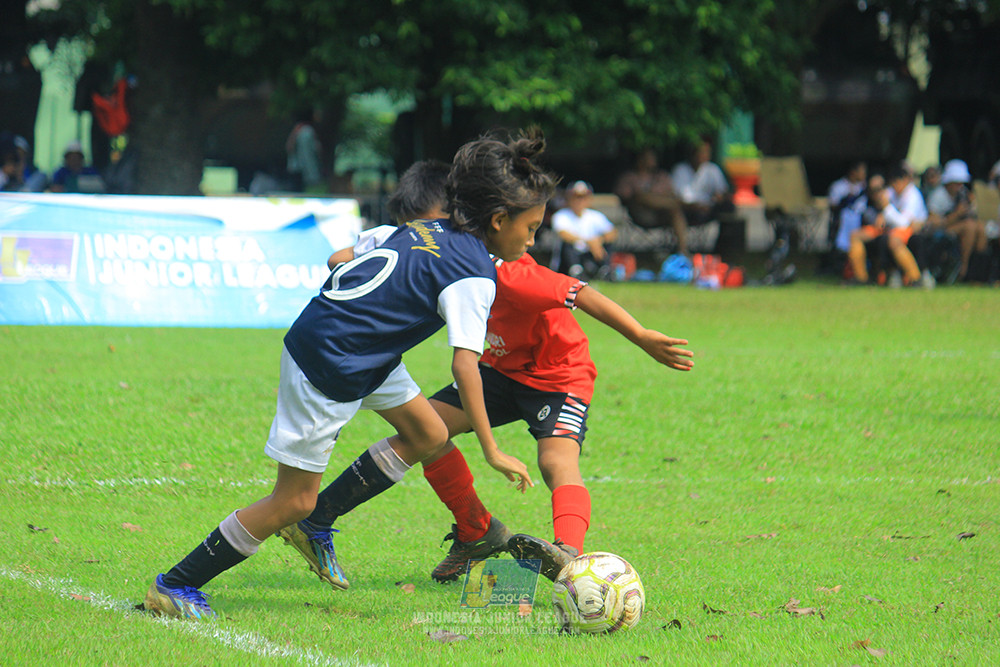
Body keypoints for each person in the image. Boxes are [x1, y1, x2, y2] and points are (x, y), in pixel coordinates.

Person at [142, 129, 557, 619]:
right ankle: (175, 584)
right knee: (292, 499)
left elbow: (354, 253)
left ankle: (316, 524)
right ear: (499, 218)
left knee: (428, 431)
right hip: (333, 362)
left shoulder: (433, 228)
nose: (531, 241)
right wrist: (492, 449)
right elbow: (465, 362)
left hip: (360, 349)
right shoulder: (473, 276)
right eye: (529, 229)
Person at [319, 160, 694, 585]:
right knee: (423, 434)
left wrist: (641, 335)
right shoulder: (435, 253)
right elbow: (344, 257)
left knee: (555, 461)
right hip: (498, 369)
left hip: (557, 377)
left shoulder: (511, 273)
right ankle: (471, 530)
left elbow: (584, 295)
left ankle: (568, 555)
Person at [845, 168, 926, 287]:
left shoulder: (913, 195)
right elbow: (882, 209)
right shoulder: (891, 191)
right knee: (856, 235)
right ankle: (861, 278)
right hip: (889, 228)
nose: (894, 186)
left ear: (904, 181)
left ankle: (915, 278)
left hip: (908, 229)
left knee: (893, 241)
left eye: (896, 183)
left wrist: (886, 208)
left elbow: (904, 223)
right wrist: (882, 213)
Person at [614, 148, 691, 254]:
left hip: (662, 214)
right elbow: (625, 197)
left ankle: (683, 251)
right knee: (641, 196)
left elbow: (672, 193)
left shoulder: (662, 176)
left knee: (675, 211)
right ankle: (680, 205)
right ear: (640, 160)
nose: (652, 160)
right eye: (648, 158)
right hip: (641, 215)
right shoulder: (629, 178)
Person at [921, 159, 987, 281]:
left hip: (961, 227)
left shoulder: (963, 194)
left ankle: (979, 268)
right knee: (969, 227)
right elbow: (933, 222)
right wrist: (957, 214)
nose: (960, 186)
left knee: (980, 228)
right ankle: (963, 267)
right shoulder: (938, 196)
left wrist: (972, 206)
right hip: (941, 231)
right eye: (957, 183)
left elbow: (973, 215)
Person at [549, 180, 618, 279]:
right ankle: (575, 270)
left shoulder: (595, 215)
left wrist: (598, 241)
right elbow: (564, 234)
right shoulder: (561, 215)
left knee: (607, 243)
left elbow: (612, 232)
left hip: (590, 253)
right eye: (576, 197)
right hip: (572, 255)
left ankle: (605, 269)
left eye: (583, 197)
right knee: (568, 245)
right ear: (569, 198)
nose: (579, 201)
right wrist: (589, 242)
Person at [670, 138, 735, 227]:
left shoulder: (712, 169)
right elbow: (677, 196)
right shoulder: (680, 170)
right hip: (688, 209)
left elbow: (722, 191)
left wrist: (719, 197)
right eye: (701, 152)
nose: (703, 155)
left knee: (728, 207)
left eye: (706, 152)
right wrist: (695, 206)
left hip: (708, 208)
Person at [286, 110, 324, 193]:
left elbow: (289, 147)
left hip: (295, 168)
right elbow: (315, 149)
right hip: (306, 169)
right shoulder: (308, 131)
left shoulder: (297, 129)